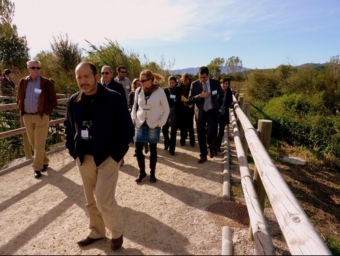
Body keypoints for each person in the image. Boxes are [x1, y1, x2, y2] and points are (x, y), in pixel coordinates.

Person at [64, 62, 134, 250]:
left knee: (103, 199)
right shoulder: (74, 101)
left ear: (96, 77)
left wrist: (116, 156)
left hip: (107, 158)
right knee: (90, 200)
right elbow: (69, 129)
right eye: (79, 77)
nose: (83, 81)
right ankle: (96, 231)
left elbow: (127, 130)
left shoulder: (114, 98)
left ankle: (117, 232)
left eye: (86, 76)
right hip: (83, 158)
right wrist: (73, 151)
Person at [16, 60, 58, 178]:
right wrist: (21, 109)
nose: (36, 70)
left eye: (38, 68)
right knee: (34, 143)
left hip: (41, 117)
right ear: (28, 68)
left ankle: (37, 168)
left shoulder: (46, 83)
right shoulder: (23, 82)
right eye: (33, 67)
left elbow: (53, 101)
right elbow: (19, 96)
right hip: (27, 116)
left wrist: (46, 113)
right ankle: (44, 161)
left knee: (39, 144)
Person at [131, 69, 169, 183]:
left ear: (151, 80)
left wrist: (160, 123)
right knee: (138, 150)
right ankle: (142, 172)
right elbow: (134, 107)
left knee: (153, 150)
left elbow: (166, 110)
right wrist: (133, 118)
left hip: (154, 124)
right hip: (140, 123)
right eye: (140, 80)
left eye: (143, 80)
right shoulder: (138, 91)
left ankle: (152, 173)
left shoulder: (160, 92)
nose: (141, 82)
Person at [188, 66, 223, 163]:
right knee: (201, 134)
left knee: (212, 131)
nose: (202, 79)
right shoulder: (194, 84)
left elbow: (221, 95)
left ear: (208, 75)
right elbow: (189, 100)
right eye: (200, 77)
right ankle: (203, 155)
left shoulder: (215, 83)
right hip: (200, 112)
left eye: (204, 77)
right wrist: (200, 96)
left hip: (212, 111)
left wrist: (218, 106)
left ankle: (211, 147)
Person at [162, 75, 182, 155]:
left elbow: (178, 100)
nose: (171, 84)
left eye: (173, 82)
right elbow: (164, 100)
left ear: (175, 82)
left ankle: (172, 149)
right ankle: (167, 142)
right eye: (170, 83)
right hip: (166, 112)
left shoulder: (178, 90)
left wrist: (173, 100)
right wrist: (172, 99)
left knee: (173, 132)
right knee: (164, 130)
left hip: (175, 113)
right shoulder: (165, 90)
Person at [128, 78, 149, 156]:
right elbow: (130, 104)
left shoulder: (145, 93)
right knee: (136, 134)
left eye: (140, 83)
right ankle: (137, 151)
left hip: (144, 115)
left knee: (144, 131)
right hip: (135, 115)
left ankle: (146, 145)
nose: (139, 85)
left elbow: (147, 105)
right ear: (134, 85)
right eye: (137, 84)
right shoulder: (132, 94)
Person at [215, 78, 234, 153]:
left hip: (224, 113)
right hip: (216, 113)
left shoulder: (229, 92)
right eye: (222, 83)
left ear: (228, 84)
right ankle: (213, 146)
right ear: (220, 84)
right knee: (214, 130)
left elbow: (230, 104)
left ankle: (218, 146)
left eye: (226, 83)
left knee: (221, 131)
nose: (224, 85)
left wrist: (232, 104)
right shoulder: (216, 91)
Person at [178, 73, 195, 147]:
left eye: (186, 80)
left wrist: (188, 103)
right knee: (182, 126)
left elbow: (194, 97)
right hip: (181, 109)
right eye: (184, 80)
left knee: (190, 126)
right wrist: (182, 103)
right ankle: (182, 141)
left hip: (190, 109)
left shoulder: (192, 87)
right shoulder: (179, 87)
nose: (185, 81)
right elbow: (177, 97)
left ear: (189, 80)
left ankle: (192, 142)